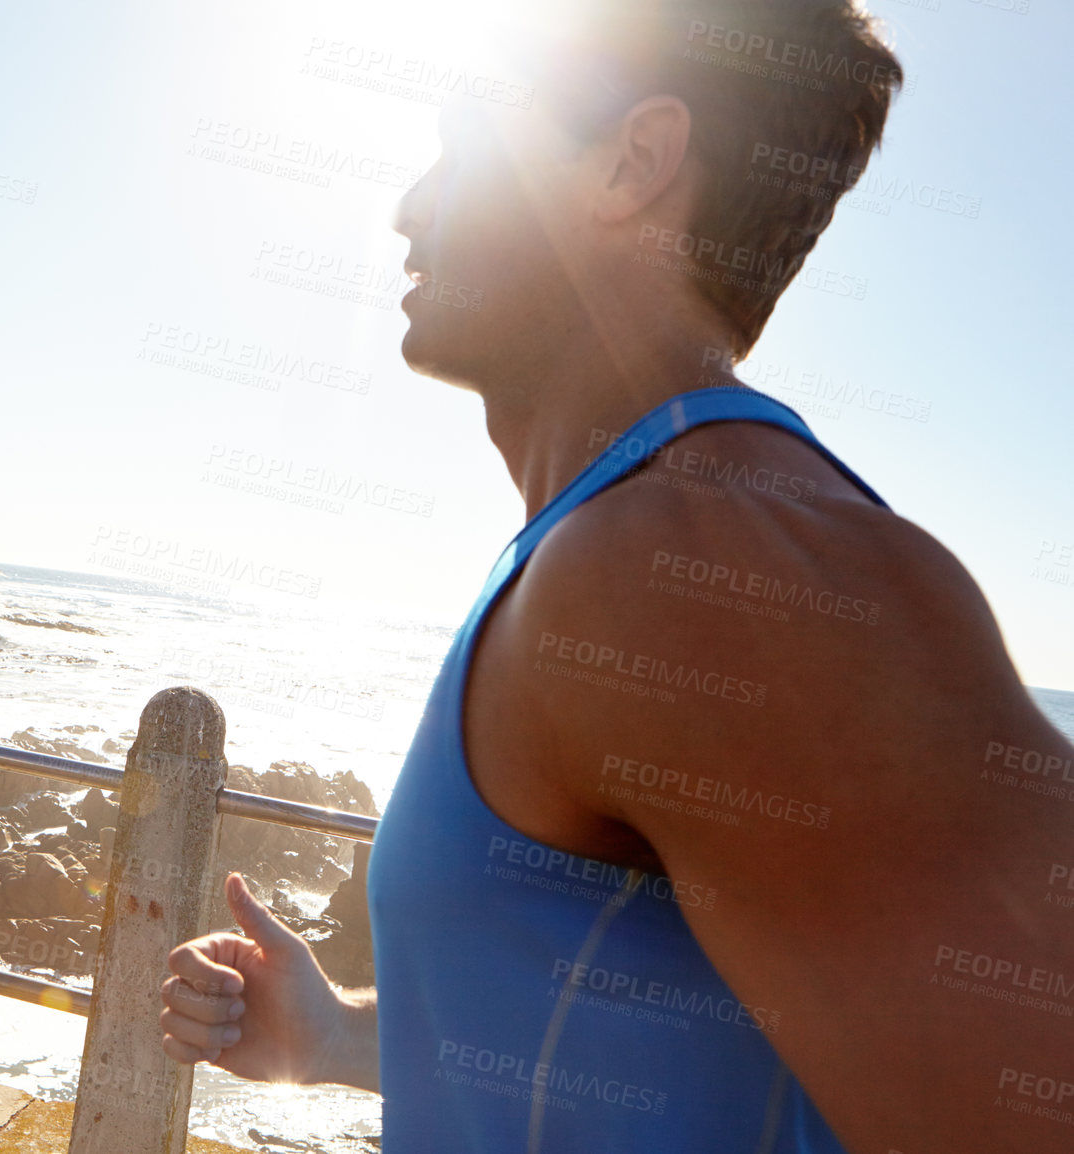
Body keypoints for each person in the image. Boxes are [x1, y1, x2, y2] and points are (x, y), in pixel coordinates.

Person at [161, 3, 1074, 1152]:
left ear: (631, 163)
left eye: (462, 146)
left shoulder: (714, 566)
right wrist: (335, 1032)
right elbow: (652, 1031)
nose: (405, 207)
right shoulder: (612, 539)